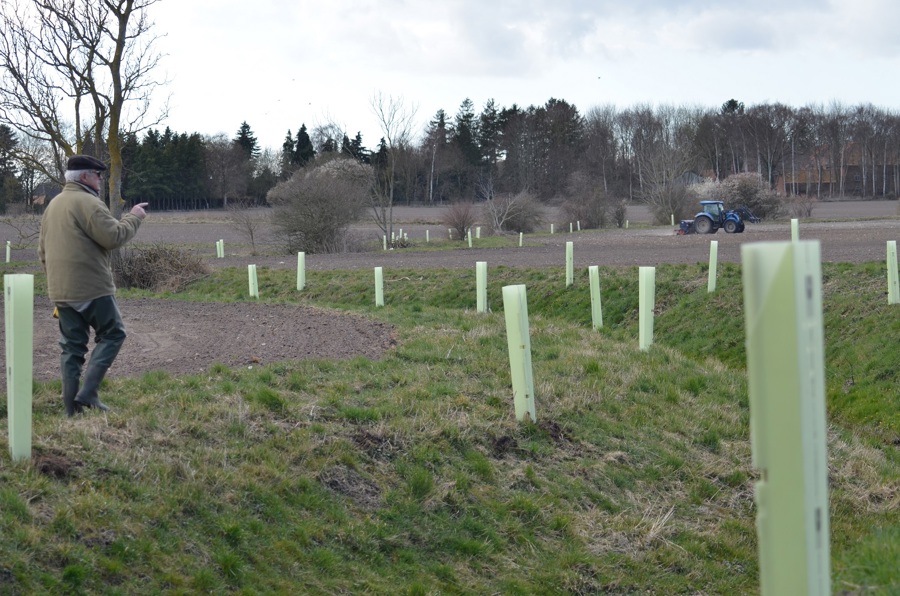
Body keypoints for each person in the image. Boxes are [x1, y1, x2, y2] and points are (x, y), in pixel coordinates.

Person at [38, 155, 149, 416]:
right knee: (113, 333)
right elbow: (113, 236)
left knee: (72, 349)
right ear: (86, 177)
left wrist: (56, 283)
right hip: (91, 287)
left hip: (61, 290)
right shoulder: (88, 202)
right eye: (98, 175)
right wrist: (135, 217)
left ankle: (70, 411)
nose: (101, 179)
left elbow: (42, 251)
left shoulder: (53, 205)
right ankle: (88, 393)